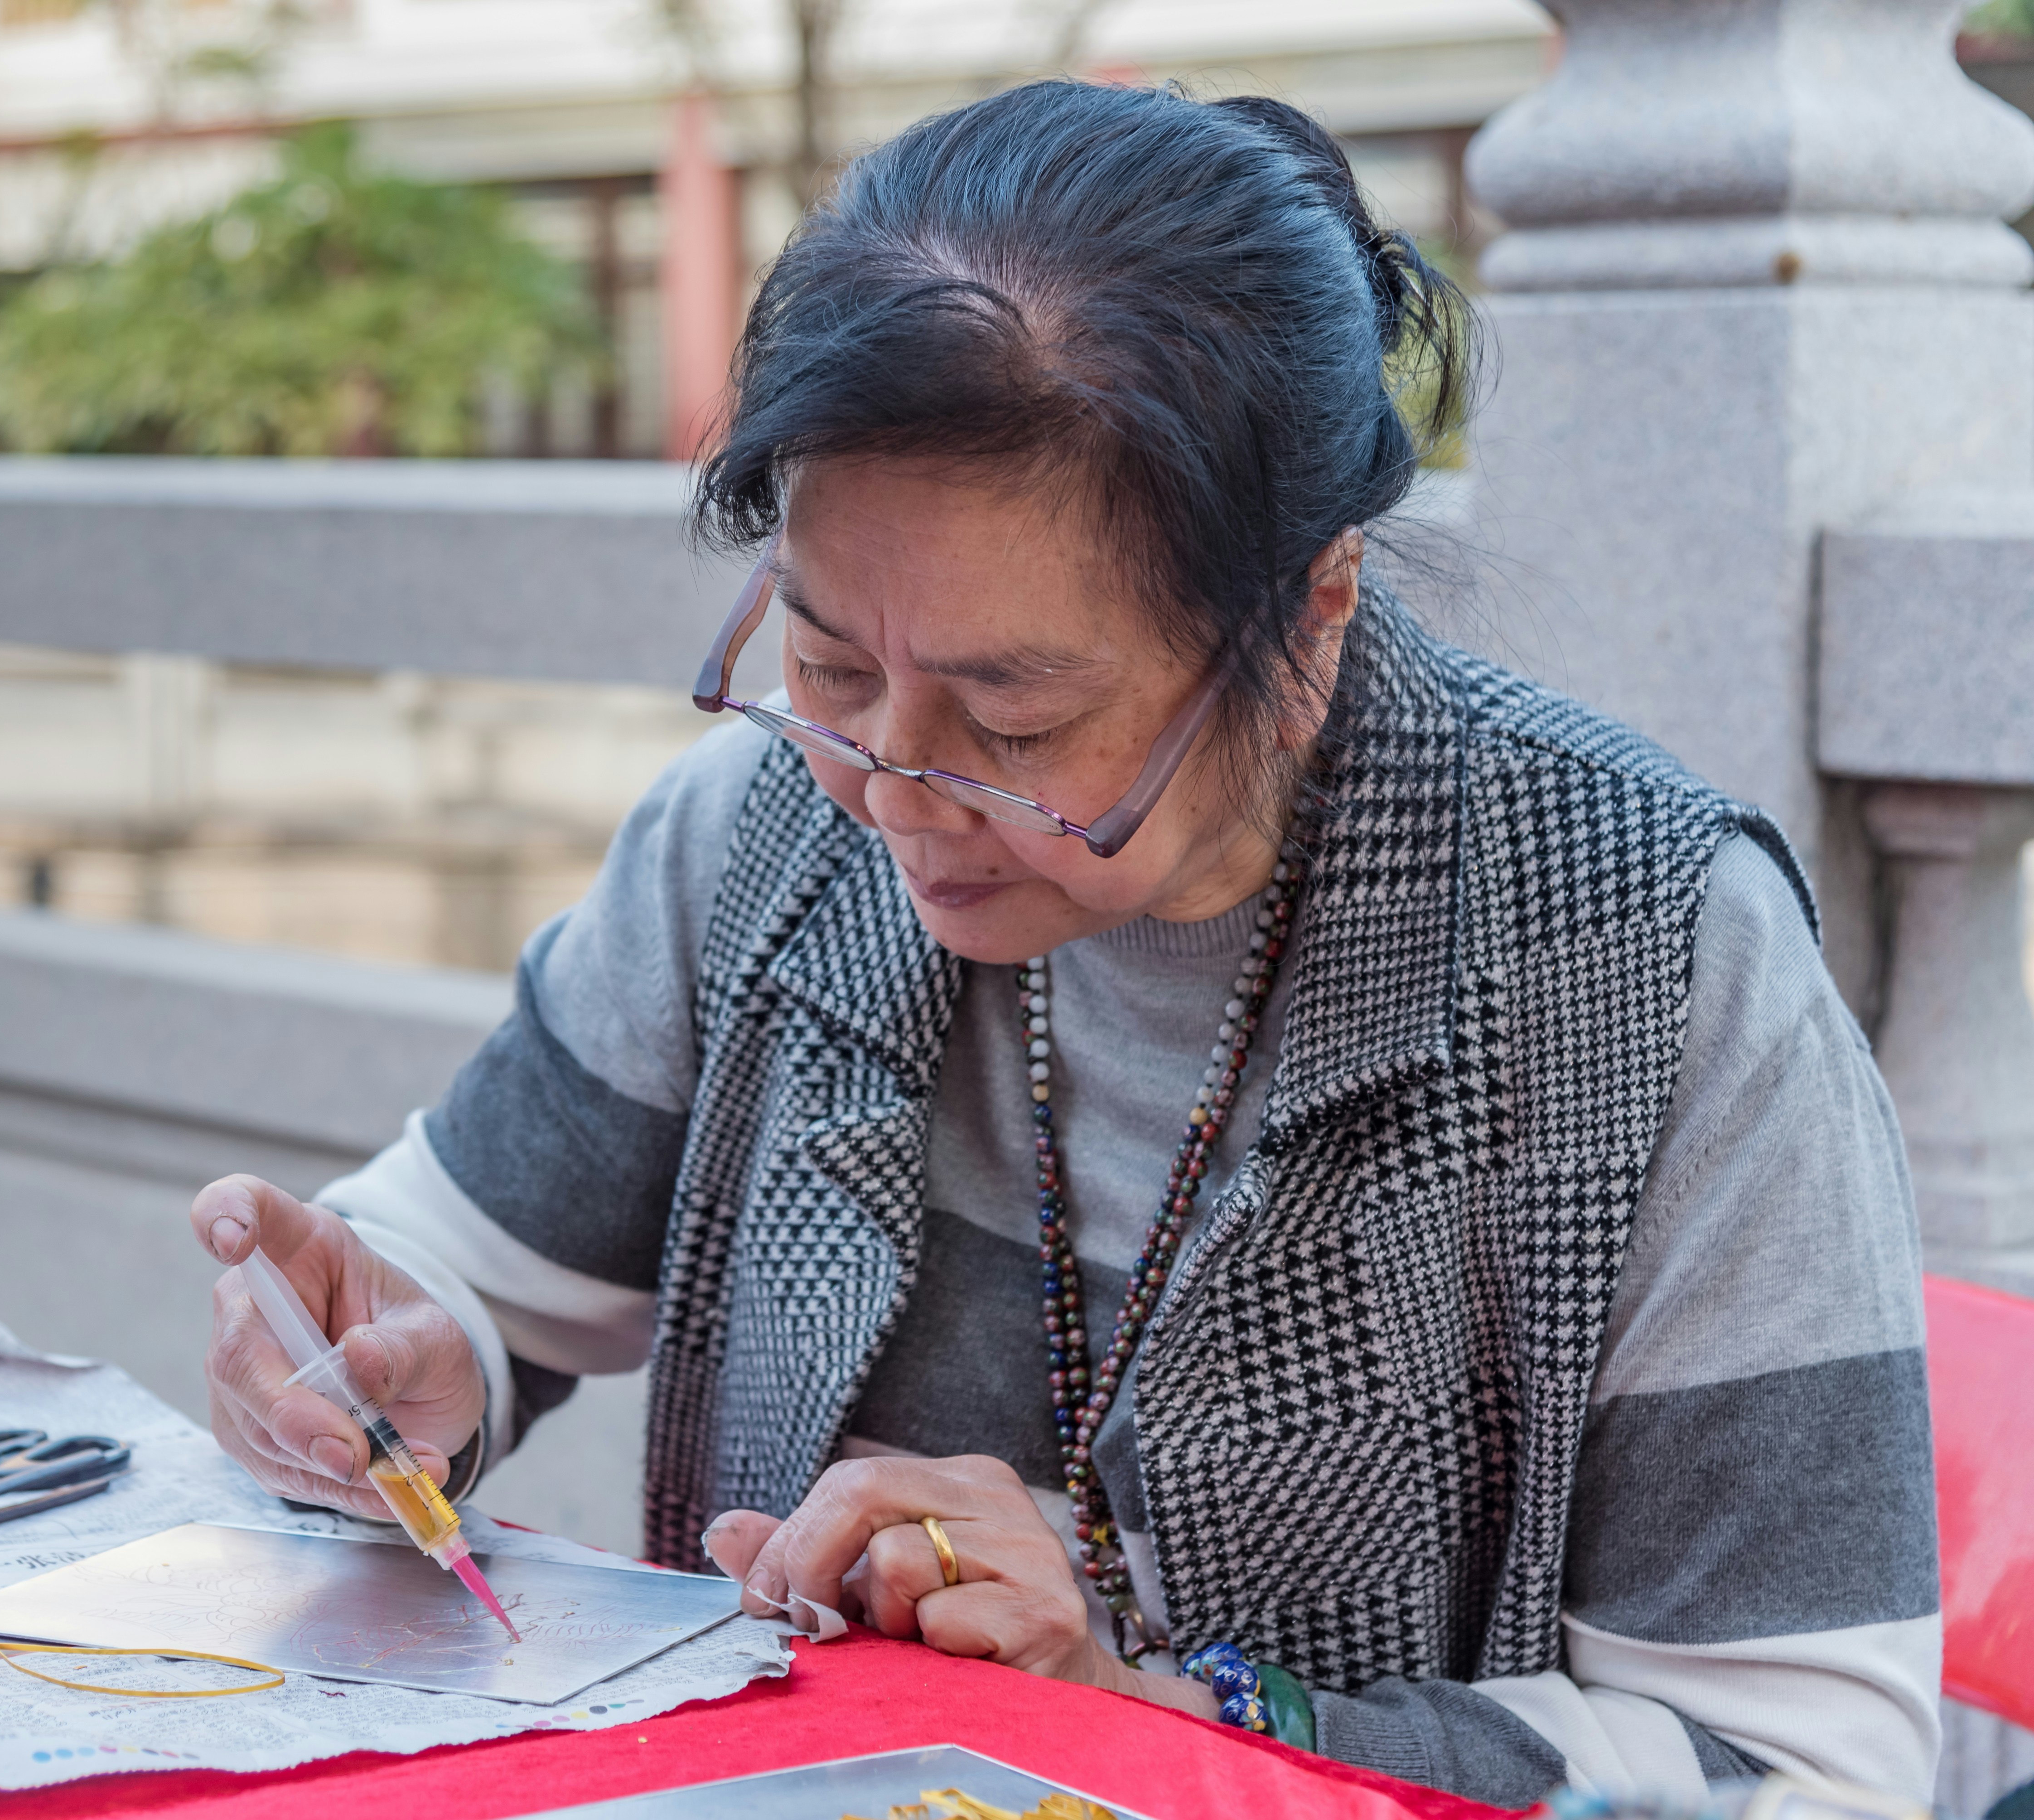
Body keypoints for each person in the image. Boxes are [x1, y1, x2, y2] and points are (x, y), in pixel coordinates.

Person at [187, 81, 1939, 1810]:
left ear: (1309, 612)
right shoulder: (770, 832)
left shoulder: (1636, 959)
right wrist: (390, 1355)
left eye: (1015, 722)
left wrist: (1149, 1710)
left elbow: (1804, 1770)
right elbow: (472, 1262)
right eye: (826, 662)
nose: (894, 792)